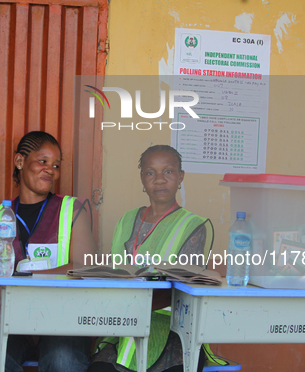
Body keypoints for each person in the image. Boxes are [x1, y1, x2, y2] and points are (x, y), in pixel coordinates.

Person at [0, 131, 96, 372]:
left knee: (62, 360)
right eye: (43, 161)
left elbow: (83, 267)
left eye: (56, 165)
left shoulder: (72, 210)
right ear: (19, 162)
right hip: (9, 318)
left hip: (62, 317)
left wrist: (16, 284)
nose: (51, 170)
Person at [89, 145, 214, 372]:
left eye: (168, 171)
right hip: (123, 326)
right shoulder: (127, 219)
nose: (159, 179)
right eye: (150, 172)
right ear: (142, 179)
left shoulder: (193, 225)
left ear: (180, 177)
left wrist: (134, 305)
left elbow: (184, 289)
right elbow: (113, 272)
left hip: (172, 328)